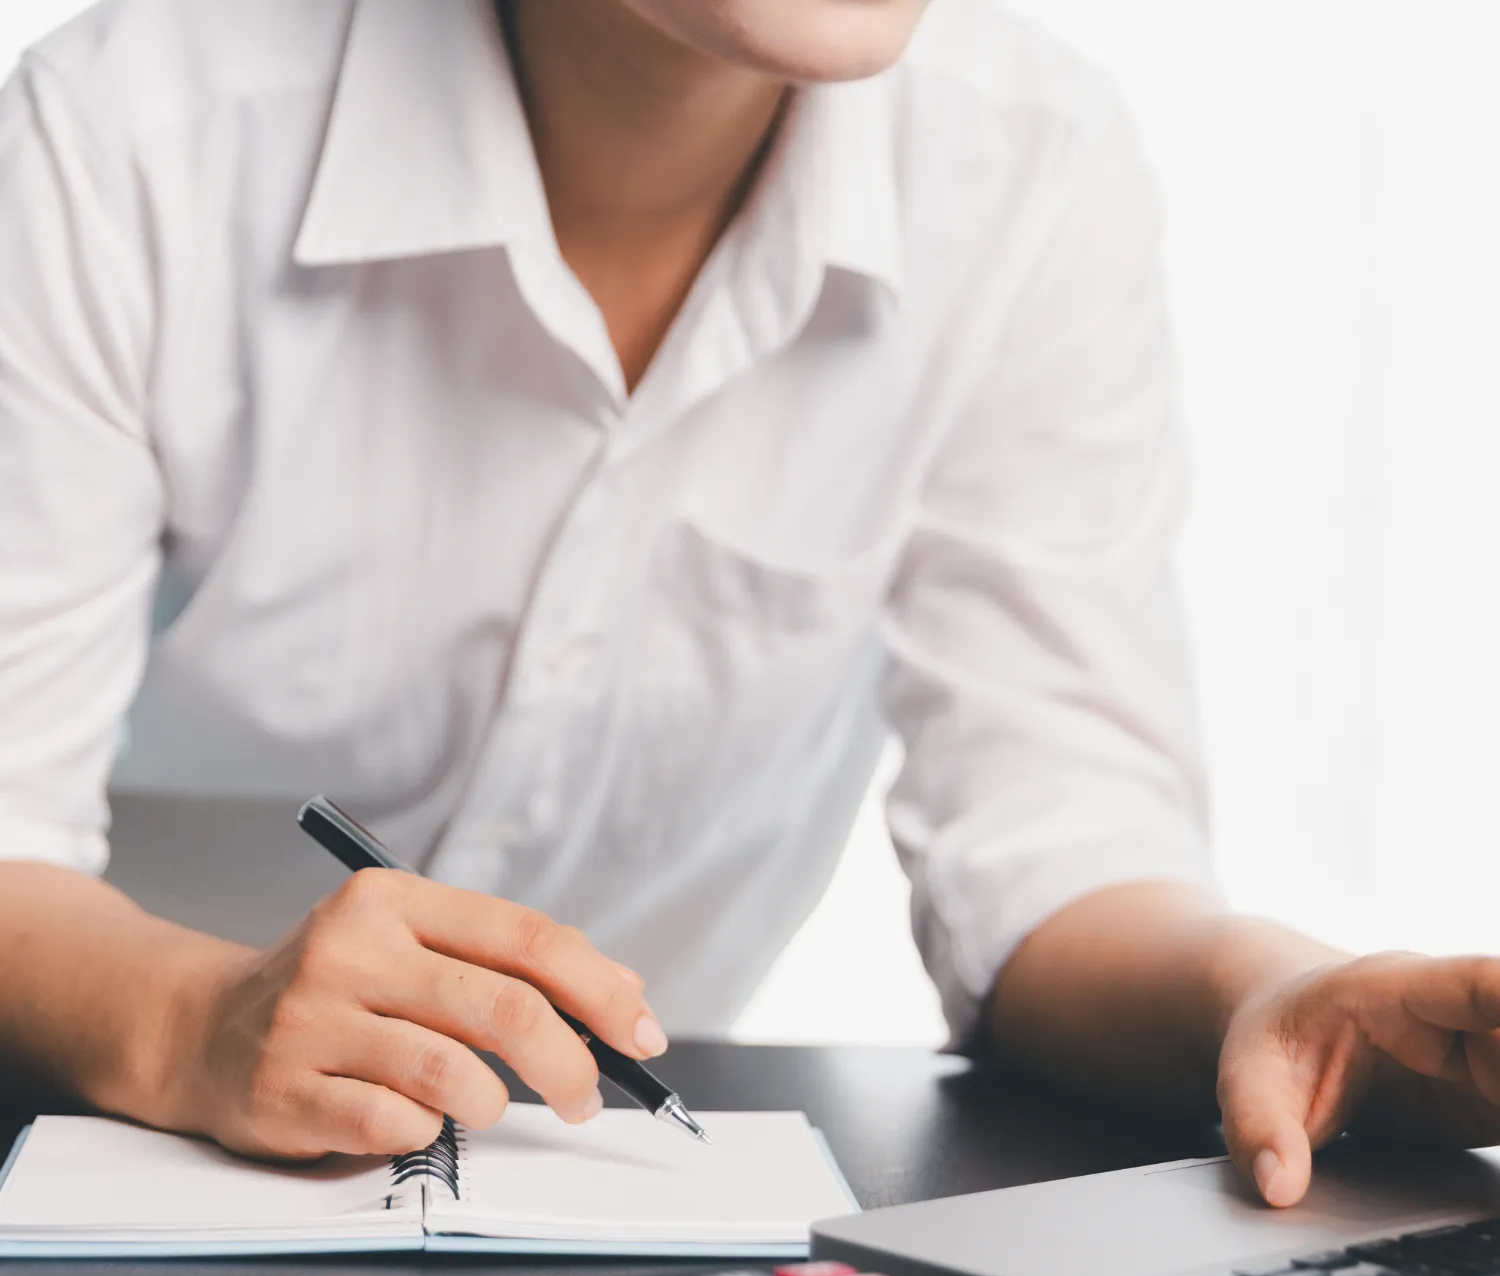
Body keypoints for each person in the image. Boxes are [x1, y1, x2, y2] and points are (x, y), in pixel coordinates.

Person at [1, 0, 1497, 1208]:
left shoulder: (1031, 169)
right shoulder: (128, 140)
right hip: (89, 1163)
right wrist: (196, 1019)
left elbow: (1059, 854)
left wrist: (1274, 997)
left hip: (606, 1202)